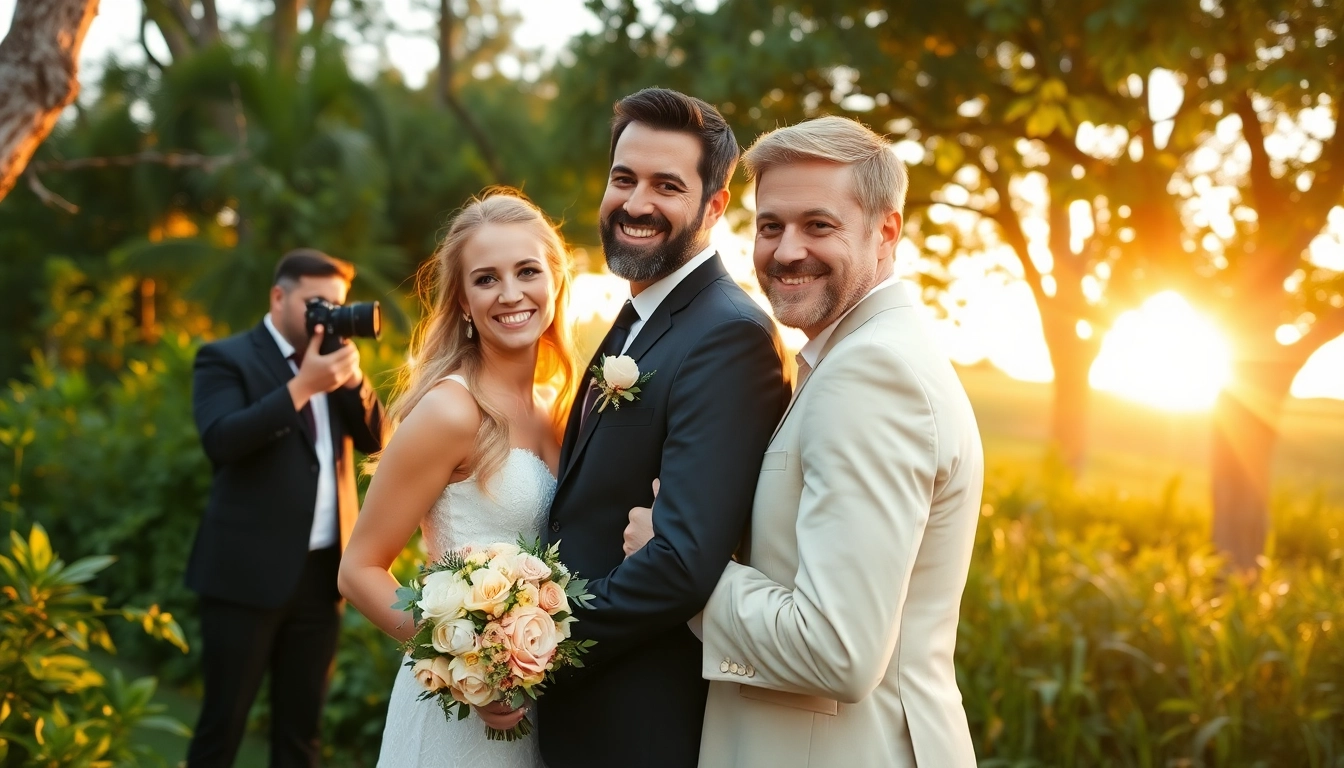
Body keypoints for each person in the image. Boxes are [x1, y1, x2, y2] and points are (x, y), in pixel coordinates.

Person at [627, 116, 985, 767]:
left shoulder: (872, 374)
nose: (787, 251)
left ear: (886, 231)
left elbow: (836, 650)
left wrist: (677, 567)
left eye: (819, 225)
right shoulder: (854, 358)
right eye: (771, 226)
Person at [515, 88, 791, 768]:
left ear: (715, 205)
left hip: (637, 725)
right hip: (586, 718)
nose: (636, 203)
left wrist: (529, 648)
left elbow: (679, 564)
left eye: (667, 185)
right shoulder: (642, 312)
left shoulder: (729, 337)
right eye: (623, 178)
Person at [336, 190, 580, 768]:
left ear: (555, 282)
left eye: (527, 271)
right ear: (463, 302)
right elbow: (358, 570)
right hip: (459, 712)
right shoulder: (451, 411)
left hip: (540, 706)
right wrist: (466, 665)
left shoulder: (560, 408)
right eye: (486, 279)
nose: (511, 294)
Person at [185, 249, 387, 767]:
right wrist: (302, 387)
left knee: (302, 732)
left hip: (322, 575)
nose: (329, 316)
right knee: (222, 725)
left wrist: (354, 382)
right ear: (279, 297)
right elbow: (221, 440)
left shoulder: (336, 362)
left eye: (337, 306)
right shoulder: (225, 357)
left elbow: (376, 440)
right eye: (317, 303)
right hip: (243, 577)